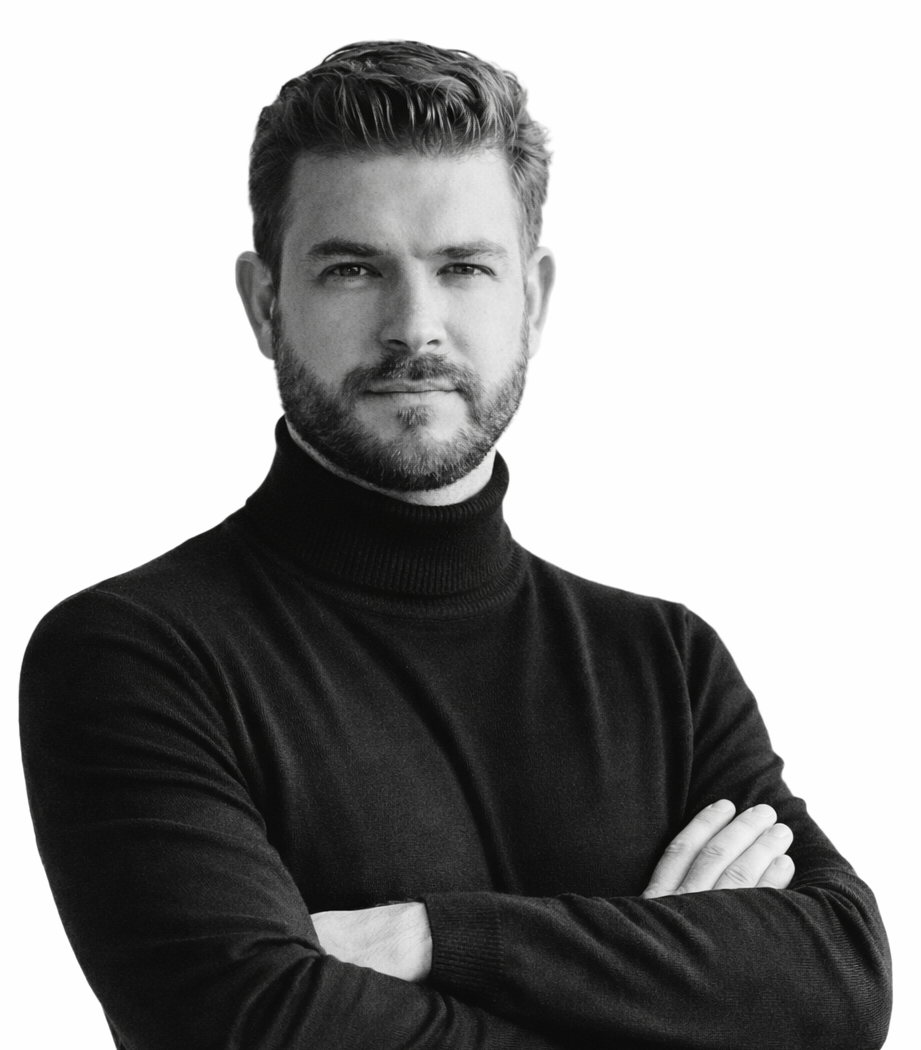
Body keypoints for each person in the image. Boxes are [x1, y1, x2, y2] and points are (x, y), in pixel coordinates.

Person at [20, 40, 891, 1050]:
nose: (414, 326)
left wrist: (435, 937)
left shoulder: (666, 664)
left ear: (534, 298)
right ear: (264, 304)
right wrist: (669, 989)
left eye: (464, 268)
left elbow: (841, 983)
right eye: (353, 269)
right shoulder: (137, 655)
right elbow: (255, 1028)